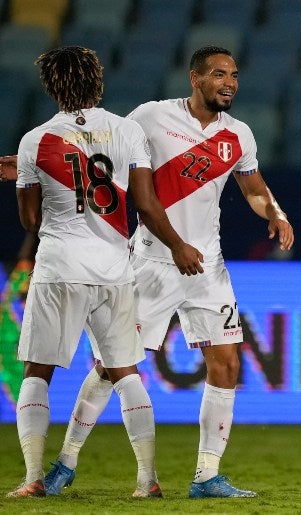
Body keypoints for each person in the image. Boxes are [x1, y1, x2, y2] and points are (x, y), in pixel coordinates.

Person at [43, 46, 295, 499]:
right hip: (153, 264)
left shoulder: (238, 135)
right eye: (219, 74)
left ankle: (206, 475)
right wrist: (39, 162)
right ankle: (66, 460)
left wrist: (274, 213)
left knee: (227, 361)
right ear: (195, 78)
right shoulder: (150, 117)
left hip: (208, 266)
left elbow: (254, 188)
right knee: (111, 365)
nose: (230, 82)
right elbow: (100, 148)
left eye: (234, 74)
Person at [7, 46, 203, 498]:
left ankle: (35, 478)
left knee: (38, 373)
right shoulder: (127, 130)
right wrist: (177, 246)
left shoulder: (35, 139)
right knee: (126, 373)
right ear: (98, 80)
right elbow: (147, 204)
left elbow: (30, 221)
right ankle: (147, 481)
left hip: (59, 269)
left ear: (51, 85)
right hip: (116, 268)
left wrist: (24, 181)